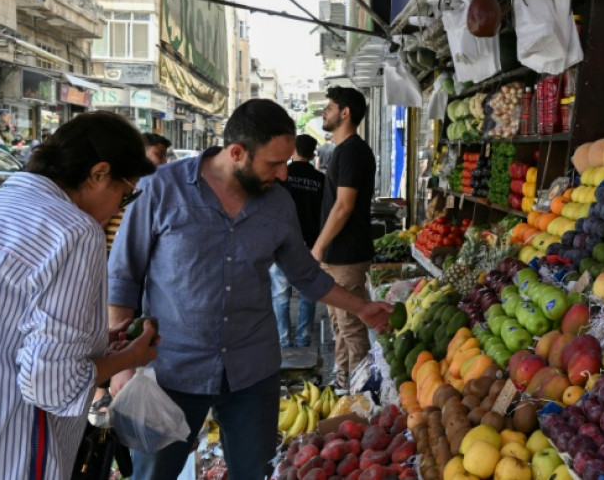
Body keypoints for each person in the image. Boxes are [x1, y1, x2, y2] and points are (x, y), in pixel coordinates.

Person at [107, 98, 391, 480]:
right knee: (152, 475)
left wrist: (361, 307)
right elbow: (124, 275)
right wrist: (123, 363)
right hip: (171, 370)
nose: (284, 174)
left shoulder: (278, 203)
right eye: (274, 164)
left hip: (251, 372)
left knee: (256, 474)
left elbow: (305, 274)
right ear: (237, 153)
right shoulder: (162, 189)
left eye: (286, 163)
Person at [0, 111, 159, 479]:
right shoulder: (74, 231)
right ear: (98, 174)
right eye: (125, 195)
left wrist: (93, 344)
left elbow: (11, 327)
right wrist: (129, 356)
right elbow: (51, 384)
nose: (118, 211)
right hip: (14, 446)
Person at [311, 86, 376, 389]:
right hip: (335, 257)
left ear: (345, 112)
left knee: (351, 328)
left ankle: (363, 395)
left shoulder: (352, 151)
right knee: (339, 327)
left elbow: (344, 206)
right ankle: (343, 386)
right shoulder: (342, 150)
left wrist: (319, 246)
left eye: (330, 106)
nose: (325, 111)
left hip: (347, 256)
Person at [270, 134, 325, 348]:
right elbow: (325, 214)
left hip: (281, 245)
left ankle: (283, 340)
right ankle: (304, 339)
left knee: (280, 295)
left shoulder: (282, 176)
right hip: (310, 245)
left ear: (293, 151)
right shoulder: (320, 181)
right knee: (307, 294)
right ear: (312, 155)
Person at [104, 132, 172, 252]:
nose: (164, 161)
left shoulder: (158, 188)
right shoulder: (123, 183)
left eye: (165, 156)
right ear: (141, 153)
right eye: (159, 155)